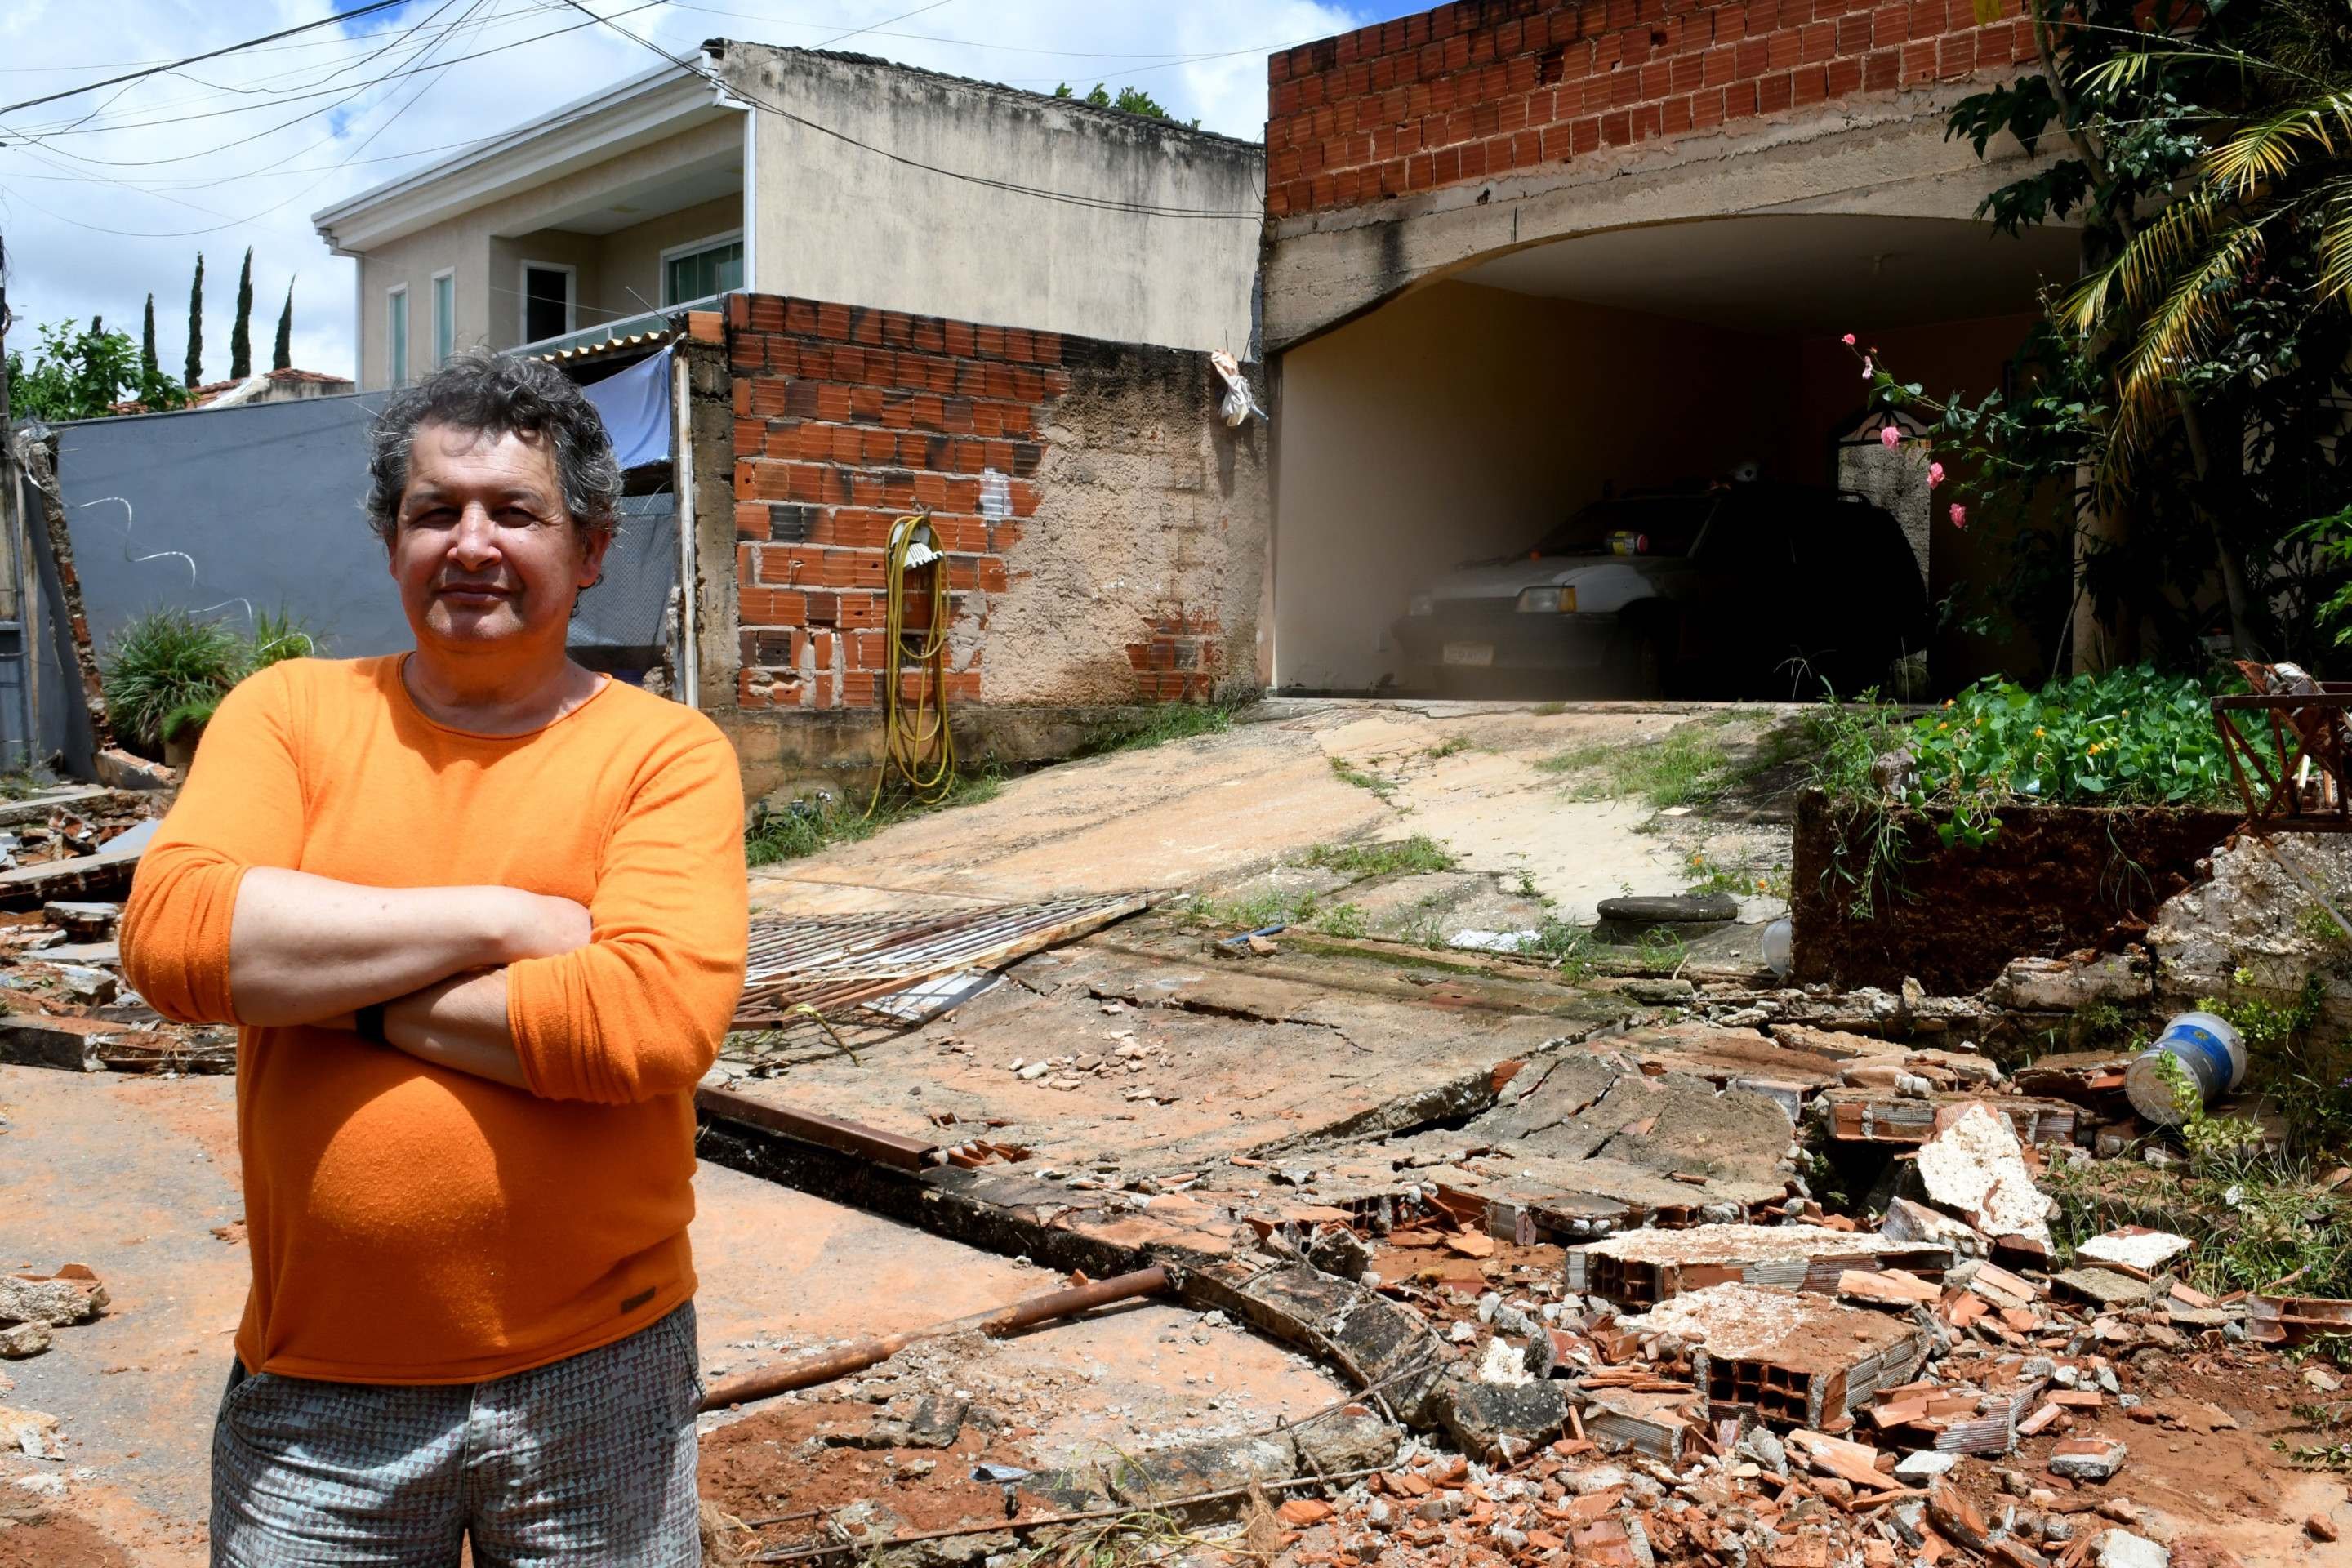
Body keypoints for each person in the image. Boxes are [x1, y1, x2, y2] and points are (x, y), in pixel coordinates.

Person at [121, 348, 749, 1566]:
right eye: (434, 512)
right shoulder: (290, 715)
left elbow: (645, 1024)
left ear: (593, 549)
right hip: (323, 1385)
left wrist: (333, 995)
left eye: (515, 512)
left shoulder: (662, 756)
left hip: (600, 1371)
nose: (471, 543)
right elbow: (177, 940)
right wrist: (505, 923)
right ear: (390, 538)